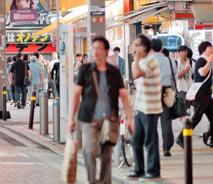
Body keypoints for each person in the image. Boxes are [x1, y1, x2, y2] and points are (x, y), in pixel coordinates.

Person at [68, 37, 134, 184]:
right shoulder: (85, 70)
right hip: (89, 118)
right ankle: (92, 181)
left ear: (106, 51)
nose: (95, 51)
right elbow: (77, 93)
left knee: (106, 154)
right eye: (93, 48)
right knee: (90, 151)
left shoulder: (114, 72)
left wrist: (129, 119)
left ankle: (105, 182)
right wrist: (71, 119)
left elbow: (123, 95)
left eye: (99, 48)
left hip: (109, 119)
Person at [128, 34, 162, 181]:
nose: (133, 48)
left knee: (150, 140)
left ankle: (154, 171)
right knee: (136, 140)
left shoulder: (150, 60)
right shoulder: (141, 60)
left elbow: (136, 74)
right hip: (140, 107)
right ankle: (139, 169)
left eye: (136, 45)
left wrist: (136, 58)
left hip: (150, 108)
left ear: (143, 47)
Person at [177, 40, 213, 149]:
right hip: (201, 95)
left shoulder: (205, 60)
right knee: (197, 118)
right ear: (204, 50)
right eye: (209, 47)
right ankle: (181, 138)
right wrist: (210, 60)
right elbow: (202, 73)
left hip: (206, 94)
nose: (211, 49)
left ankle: (210, 137)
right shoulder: (202, 61)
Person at [149, 38, 176, 157]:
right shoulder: (169, 60)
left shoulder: (147, 61)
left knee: (152, 122)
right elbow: (173, 77)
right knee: (166, 121)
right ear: (161, 48)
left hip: (152, 93)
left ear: (150, 48)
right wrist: (174, 93)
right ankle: (166, 148)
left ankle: (153, 147)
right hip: (166, 92)